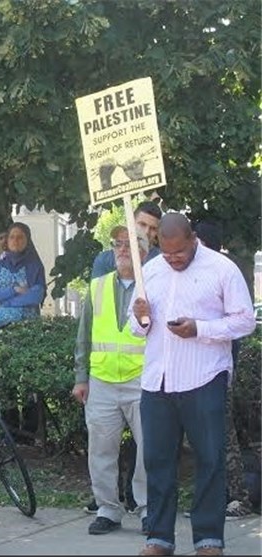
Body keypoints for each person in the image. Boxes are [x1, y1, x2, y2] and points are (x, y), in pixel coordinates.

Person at [130, 214, 255, 557]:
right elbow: (136, 328)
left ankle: (208, 539)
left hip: (204, 377)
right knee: (156, 461)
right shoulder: (151, 271)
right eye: (167, 254)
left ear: (193, 239)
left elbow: (245, 321)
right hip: (158, 380)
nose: (174, 259)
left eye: (180, 253)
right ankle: (158, 538)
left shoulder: (222, 268)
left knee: (210, 459)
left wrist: (199, 328)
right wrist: (142, 316)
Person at [72, 226, 149, 536]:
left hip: (143, 379)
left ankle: (148, 509)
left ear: (143, 253)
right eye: (117, 244)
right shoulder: (98, 286)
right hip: (101, 380)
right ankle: (108, 509)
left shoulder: (153, 285)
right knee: (101, 450)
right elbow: (84, 336)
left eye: (128, 245)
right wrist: (81, 378)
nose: (120, 250)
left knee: (148, 450)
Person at [192, 220, 255, 519]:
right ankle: (210, 501)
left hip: (216, 373)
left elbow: (239, 326)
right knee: (201, 441)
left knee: (223, 438)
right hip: (190, 374)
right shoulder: (189, 274)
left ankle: (239, 498)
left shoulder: (222, 273)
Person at [0, 221, 46, 325]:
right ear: (7, 241)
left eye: (20, 237)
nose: (15, 241)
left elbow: (36, 296)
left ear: (27, 240)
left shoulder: (35, 266)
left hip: (29, 327)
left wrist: (6, 302)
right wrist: (14, 290)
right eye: (12, 237)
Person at [92, 201, 162, 279]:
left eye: (153, 228)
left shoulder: (163, 261)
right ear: (131, 223)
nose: (146, 232)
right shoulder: (105, 261)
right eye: (142, 224)